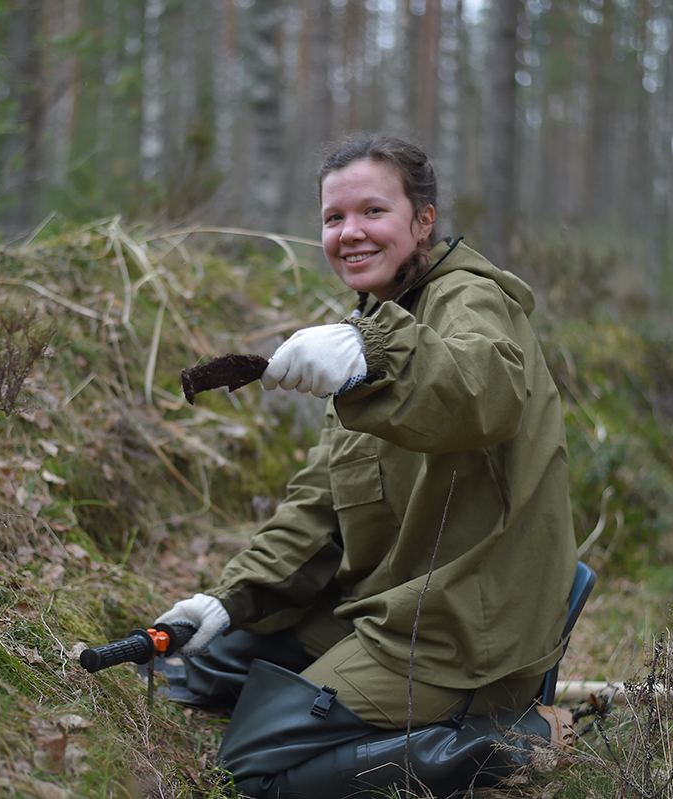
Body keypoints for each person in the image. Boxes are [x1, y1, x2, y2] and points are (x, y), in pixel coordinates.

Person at [155, 133, 578, 798]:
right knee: (202, 668)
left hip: (462, 626)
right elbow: (320, 508)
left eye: (372, 212)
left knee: (252, 770)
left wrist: (370, 352)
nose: (349, 232)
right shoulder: (377, 323)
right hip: (387, 600)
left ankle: (509, 741)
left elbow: (477, 390)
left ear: (423, 221)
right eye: (333, 218)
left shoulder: (469, 302)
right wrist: (227, 598)